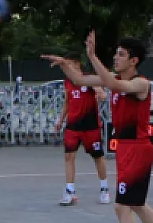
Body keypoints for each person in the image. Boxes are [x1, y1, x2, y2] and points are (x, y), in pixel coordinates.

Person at [45, 33, 153, 223]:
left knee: (121, 206)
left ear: (134, 60)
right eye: (115, 53)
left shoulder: (141, 84)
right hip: (126, 149)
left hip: (137, 149)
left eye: (121, 55)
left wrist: (92, 56)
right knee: (136, 203)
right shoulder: (115, 78)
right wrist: (65, 63)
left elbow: (114, 85)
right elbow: (79, 78)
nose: (116, 58)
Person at [46, 52, 110, 205]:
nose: (66, 68)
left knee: (97, 157)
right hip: (73, 126)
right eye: (64, 64)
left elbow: (102, 94)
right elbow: (67, 102)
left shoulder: (88, 79)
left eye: (68, 64)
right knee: (69, 157)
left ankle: (104, 188)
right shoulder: (67, 82)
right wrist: (61, 120)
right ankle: (70, 191)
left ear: (77, 64)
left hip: (90, 126)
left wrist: (100, 93)